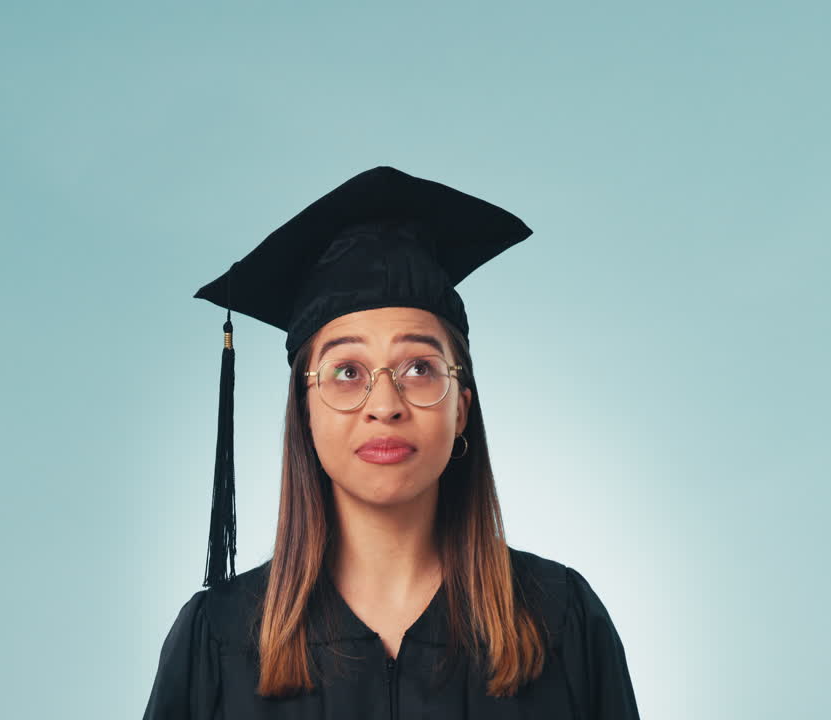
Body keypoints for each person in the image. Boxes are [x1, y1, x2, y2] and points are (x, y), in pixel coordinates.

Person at [142, 166, 641, 719]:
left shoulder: (560, 623)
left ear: (461, 411)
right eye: (347, 372)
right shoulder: (218, 639)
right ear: (304, 412)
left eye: (420, 368)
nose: (385, 404)